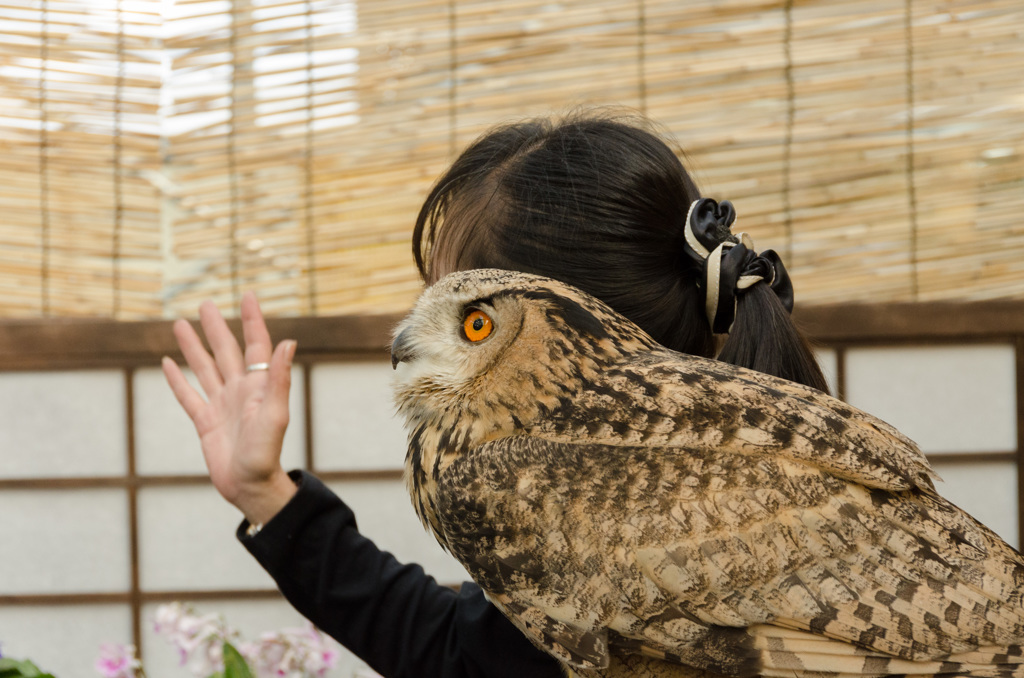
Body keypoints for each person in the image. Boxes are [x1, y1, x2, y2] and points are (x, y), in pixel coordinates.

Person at [162, 111, 828, 678]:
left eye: (469, 319)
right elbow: (466, 655)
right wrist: (268, 497)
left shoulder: (625, 548)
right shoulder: (622, 505)